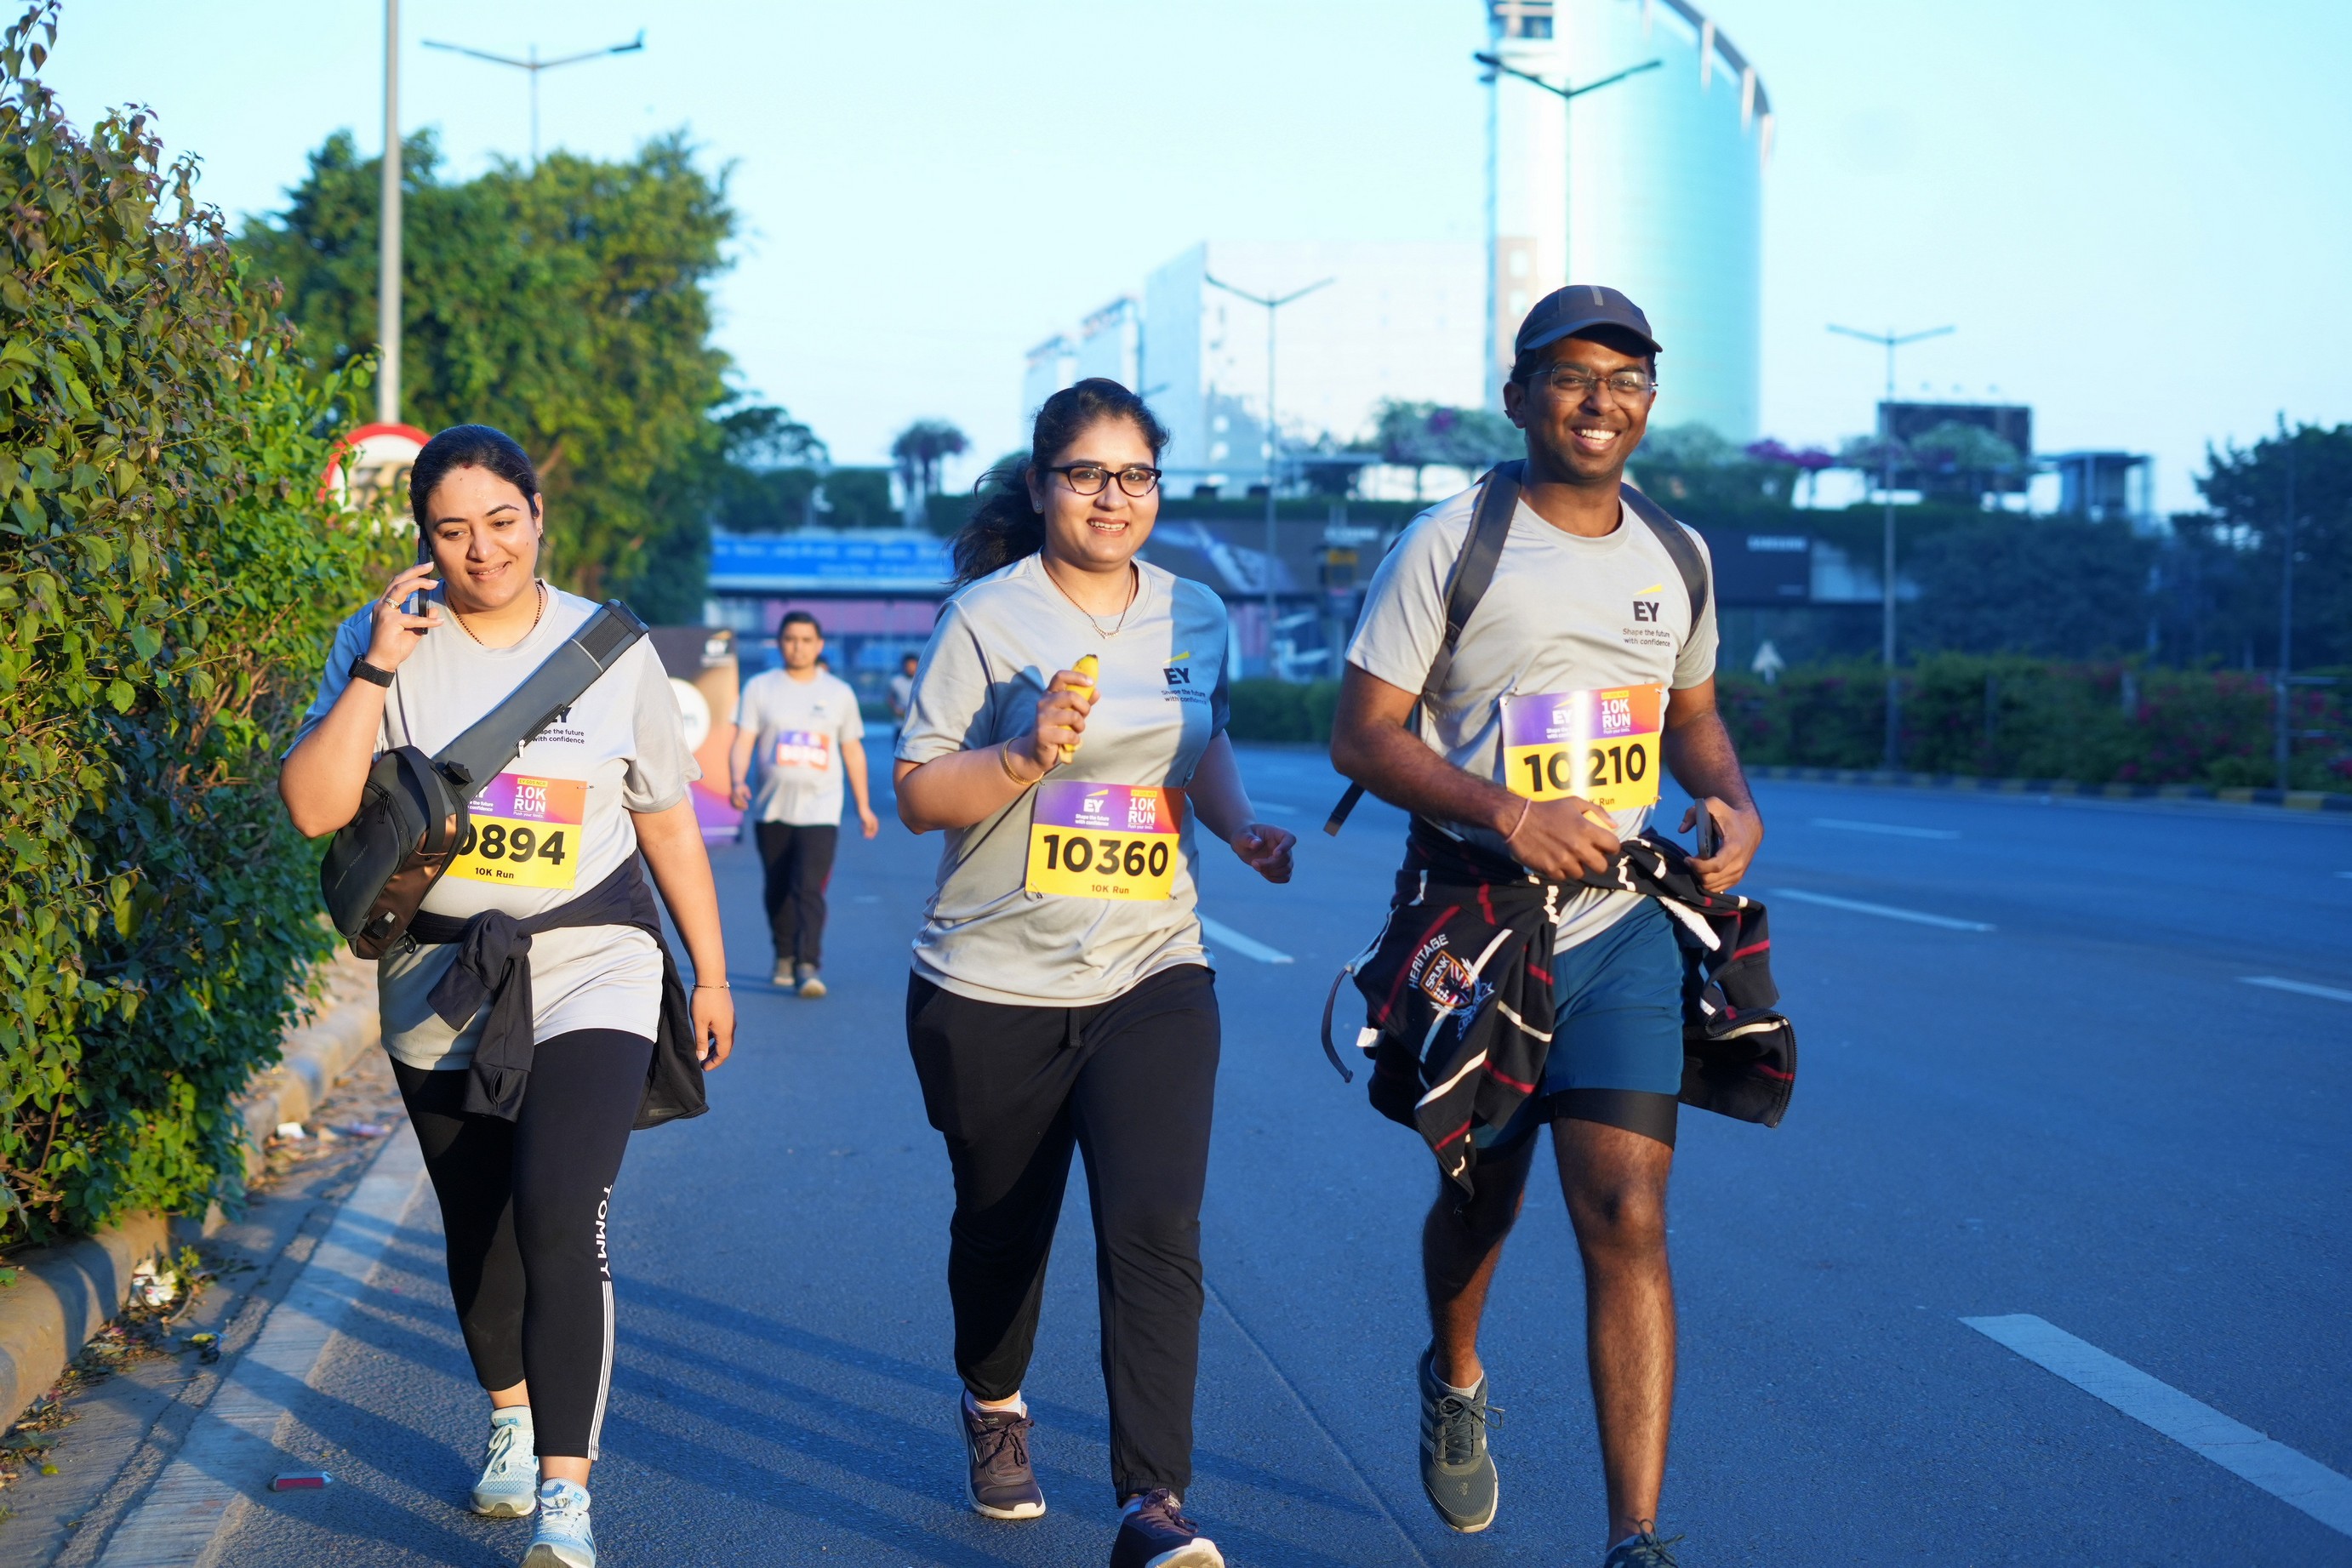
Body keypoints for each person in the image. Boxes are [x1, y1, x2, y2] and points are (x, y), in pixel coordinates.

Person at [1327, 288, 1763, 1568]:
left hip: (1625, 923)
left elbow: (1691, 715)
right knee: (1484, 1196)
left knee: (1627, 1209)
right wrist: (1509, 812)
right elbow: (1362, 736)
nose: (1598, 401)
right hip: (1479, 919)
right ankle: (1454, 1372)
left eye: (1625, 380)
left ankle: (1636, 1538)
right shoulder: (1450, 541)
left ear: (1649, 403)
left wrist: (1731, 799)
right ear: (1519, 396)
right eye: (1571, 376)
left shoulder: (1675, 553)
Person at [280, 425, 734, 1568]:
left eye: (501, 520)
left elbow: (667, 818)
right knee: (480, 1226)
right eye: (452, 529)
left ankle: (565, 1499)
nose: (482, 549)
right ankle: (512, 1418)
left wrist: (712, 967)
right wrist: (376, 666)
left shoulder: (609, 649)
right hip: (439, 974)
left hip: (596, 959)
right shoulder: (381, 642)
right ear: (422, 539)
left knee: (558, 1207)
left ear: (537, 514)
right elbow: (315, 806)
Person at [893, 379, 1295, 1568]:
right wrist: (1023, 752)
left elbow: (1201, 735)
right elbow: (919, 790)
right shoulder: (984, 618)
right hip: (989, 980)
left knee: (1156, 1224)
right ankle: (993, 1397)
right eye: (1085, 474)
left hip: (1151, 967)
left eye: (1135, 475)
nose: (1112, 497)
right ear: (1041, 486)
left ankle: (1152, 1503)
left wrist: (1237, 825)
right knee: (1001, 1227)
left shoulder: (1195, 612)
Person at [728, 611, 880, 996]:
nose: (798, 647)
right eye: (791, 639)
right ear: (780, 643)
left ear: (819, 645)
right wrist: (737, 781)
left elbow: (853, 751)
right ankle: (783, 954)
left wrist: (864, 806)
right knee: (778, 887)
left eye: (806, 640)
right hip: (771, 808)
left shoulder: (839, 693)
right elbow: (744, 740)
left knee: (809, 886)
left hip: (821, 809)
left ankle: (808, 964)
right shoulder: (760, 688)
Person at [888, 651, 920, 734]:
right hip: (901, 724)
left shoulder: (921, 681)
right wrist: (896, 710)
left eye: (913, 665)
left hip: (918, 725)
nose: (911, 668)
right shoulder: (896, 681)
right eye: (908, 666)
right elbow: (890, 698)